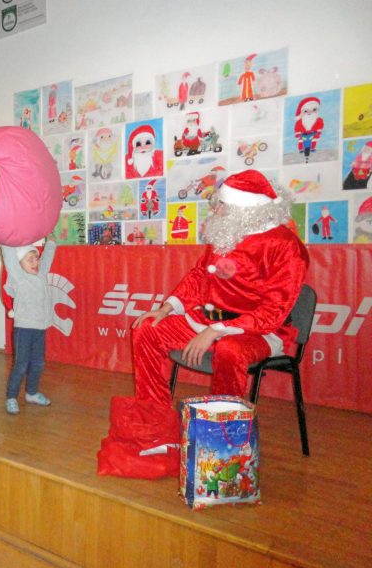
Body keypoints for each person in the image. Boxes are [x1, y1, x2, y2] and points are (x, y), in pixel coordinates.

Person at [131, 169, 309, 405]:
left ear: (246, 209)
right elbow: (199, 277)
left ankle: (223, 421)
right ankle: (153, 410)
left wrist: (216, 330)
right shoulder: (226, 233)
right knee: (147, 329)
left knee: (229, 349)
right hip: (207, 320)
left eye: (222, 205)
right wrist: (165, 309)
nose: (215, 210)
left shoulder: (284, 245)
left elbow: (273, 311)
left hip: (256, 332)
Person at [1, 235, 57, 415]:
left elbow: (47, 258)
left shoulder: (41, 273)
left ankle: (31, 393)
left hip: (40, 329)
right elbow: (9, 256)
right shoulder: (18, 277)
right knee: (21, 365)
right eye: (29, 259)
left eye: (36, 258)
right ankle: (11, 397)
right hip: (24, 329)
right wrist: (5, 237)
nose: (35, 262)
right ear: (19, 264)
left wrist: (51, 242)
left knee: (38, 363)